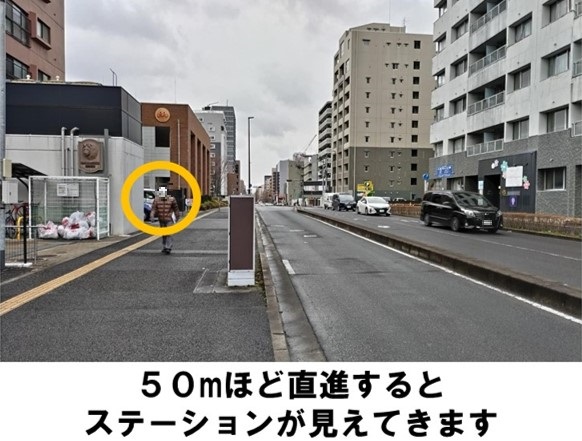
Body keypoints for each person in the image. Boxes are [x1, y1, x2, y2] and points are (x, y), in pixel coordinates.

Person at [150, 187, 180, 254]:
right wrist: (152, 215)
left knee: (168, 233)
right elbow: (153, 209)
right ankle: (164, 246)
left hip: (169, 219)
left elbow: (176, 209)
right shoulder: (156, 200)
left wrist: (177, 217)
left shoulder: (172, 199)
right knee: (164, 234)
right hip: (161, 219)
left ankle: (168, 247)